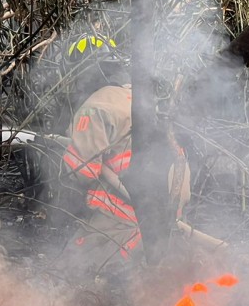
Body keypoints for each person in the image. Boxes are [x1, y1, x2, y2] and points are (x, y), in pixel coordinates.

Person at [60, 34, 193, 277]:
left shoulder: (95, 106)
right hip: (167, 215)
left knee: (70, 270)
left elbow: (84, 172)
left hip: (124, 219)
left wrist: (66, 155)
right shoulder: (144, 100)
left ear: (83, 73)